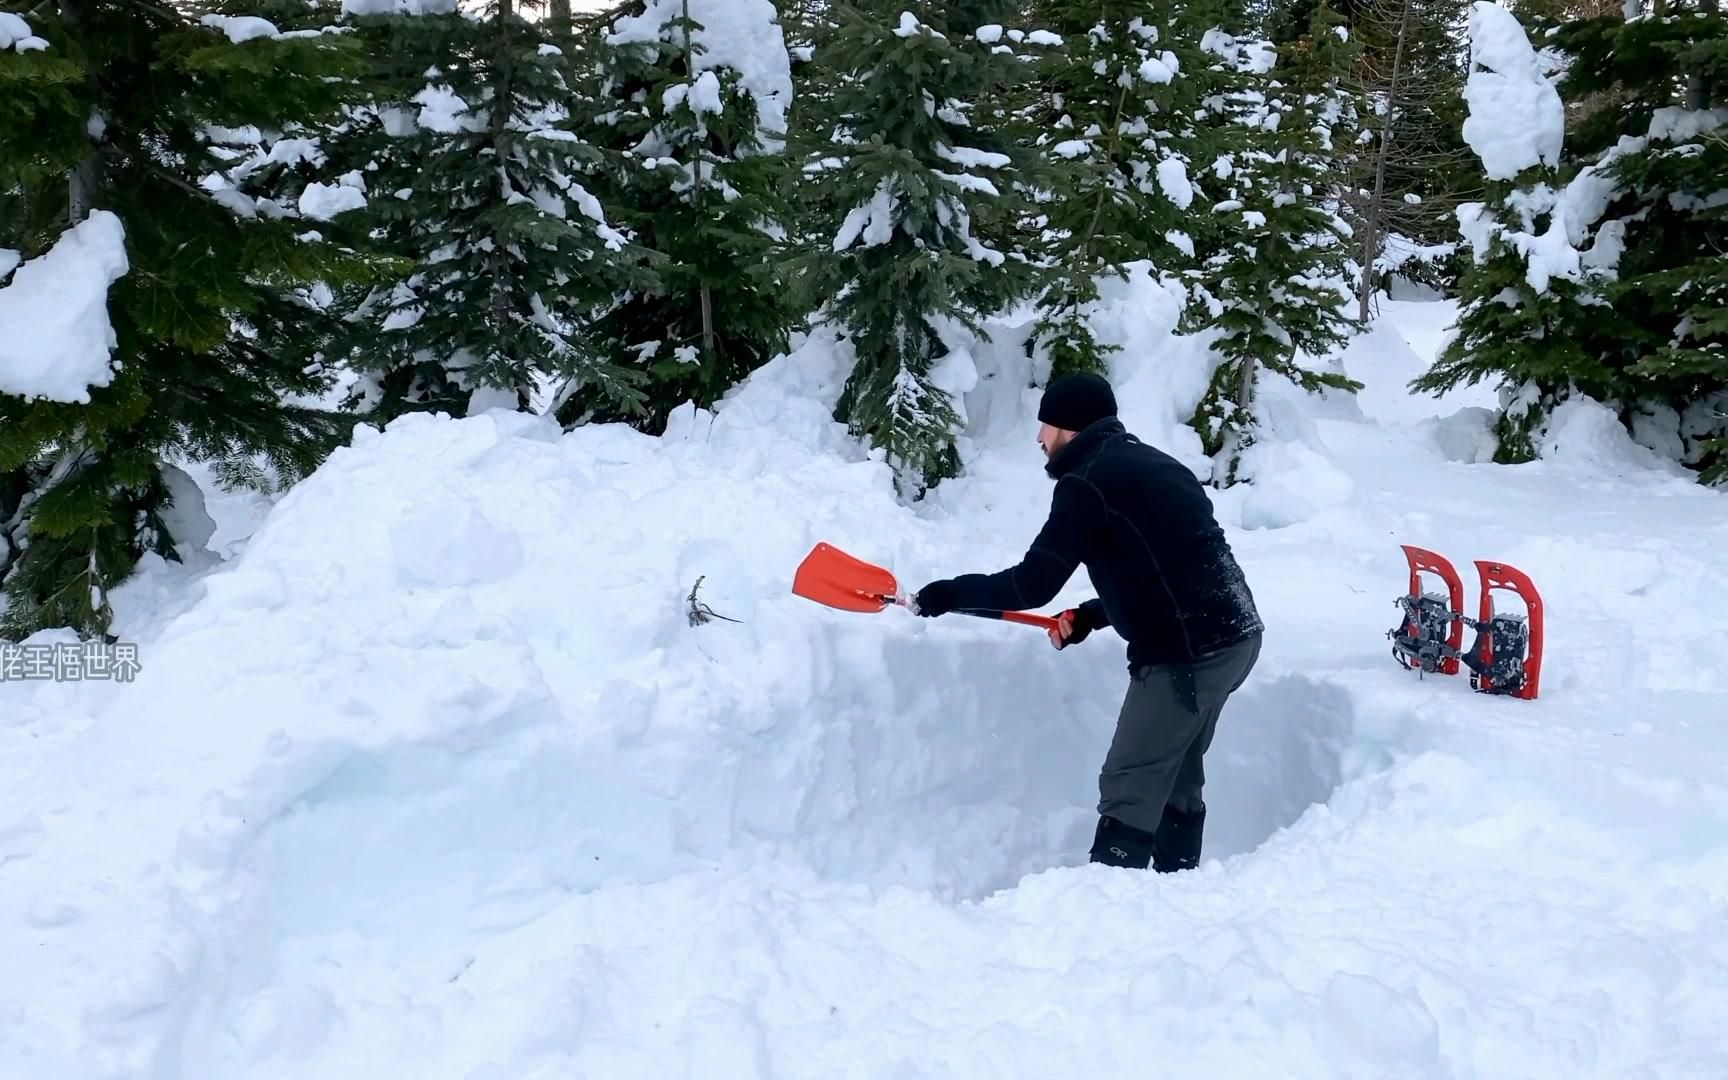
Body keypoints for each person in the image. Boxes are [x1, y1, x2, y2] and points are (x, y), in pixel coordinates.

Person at [913, 372, 1263, 873]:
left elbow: (1032, 585)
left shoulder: (1087, 483)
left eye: (1046, 425)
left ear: (1070, 428)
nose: (1039, 438)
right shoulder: (1154, 465)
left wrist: (952, 592)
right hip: (1236, 638)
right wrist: (1092, 616)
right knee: (1178, 765)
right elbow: (1165, 566)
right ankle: (1181, 889)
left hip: (1186, 655)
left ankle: (1109, 908)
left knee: (1131, 780)